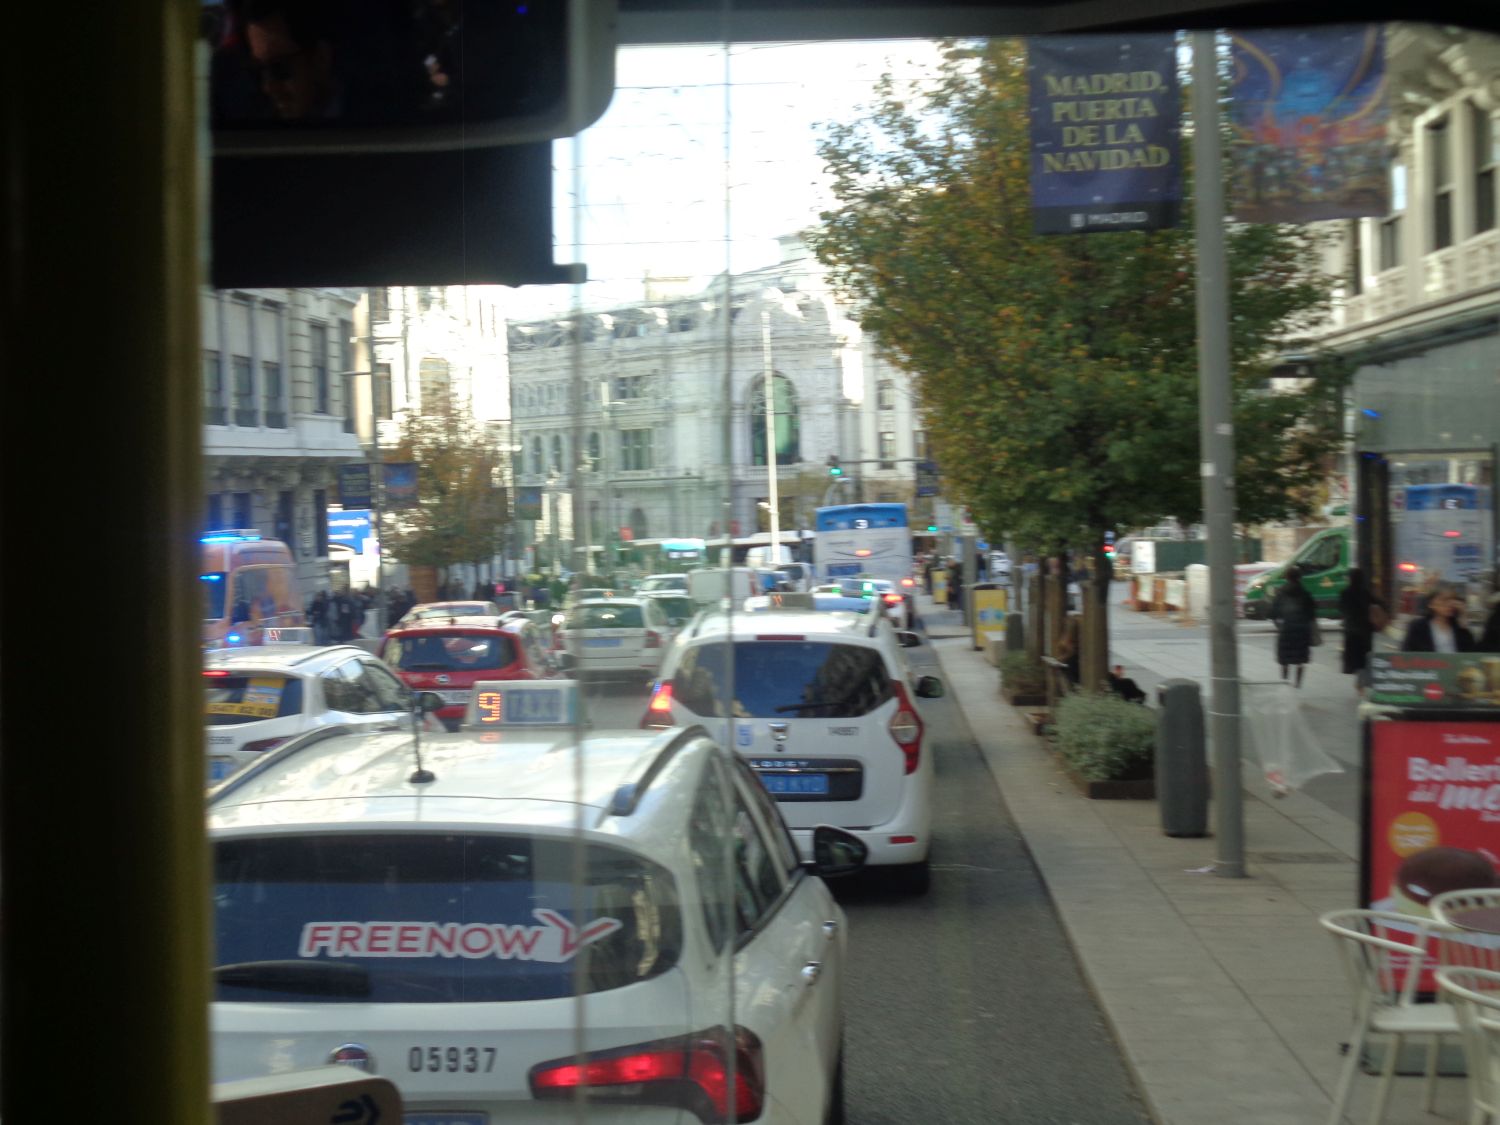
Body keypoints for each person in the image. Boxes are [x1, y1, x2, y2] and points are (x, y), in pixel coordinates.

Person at [1269, 565, 1317, 687]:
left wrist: (1279, 626)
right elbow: (1312, 614)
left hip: (1286, 629)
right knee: (1300, 659)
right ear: (1299, 577)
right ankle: (1298, 683)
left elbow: (1273, 613)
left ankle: (1285, 681)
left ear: (1287, 577)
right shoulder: (1305, 593)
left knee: (1285, 658)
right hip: (1302, 630)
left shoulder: (1281, 593)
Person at [1338, 567, 1387, 678]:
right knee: (1364, 659)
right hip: (1365, 630)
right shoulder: (1365, 593)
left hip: (1351, 629)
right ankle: (1361, 679)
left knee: (1352, 657)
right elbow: (1380, 603)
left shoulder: (1345, 593)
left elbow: (1341, 609)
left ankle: (1357, 676)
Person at [1401, 585, 1476, 653]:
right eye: (1444, 600)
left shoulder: (1458, 626)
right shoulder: (1418, 627)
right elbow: (1407, 653)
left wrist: (1463, 617)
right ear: (1431, 604)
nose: (1450, 604)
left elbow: (1471, 652)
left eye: (1453, 600)